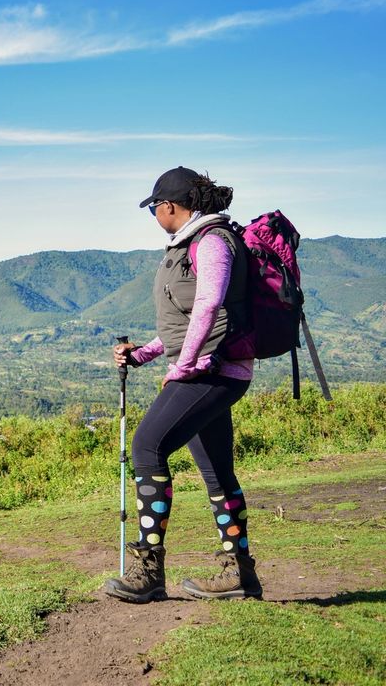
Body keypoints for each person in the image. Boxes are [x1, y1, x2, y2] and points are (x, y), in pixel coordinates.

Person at [102, 166, 263, 603]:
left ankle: (149, 572)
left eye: (154, 208)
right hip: (213, 369)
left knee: (146, 447)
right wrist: (144, 355)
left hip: (210, 371)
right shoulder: (191, 243)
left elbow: (209, 305)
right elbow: (185, 322)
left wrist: (184, 365)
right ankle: (240, 577)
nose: (154, 215)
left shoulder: (211, 241)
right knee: (216, 472)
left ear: (168, 206)